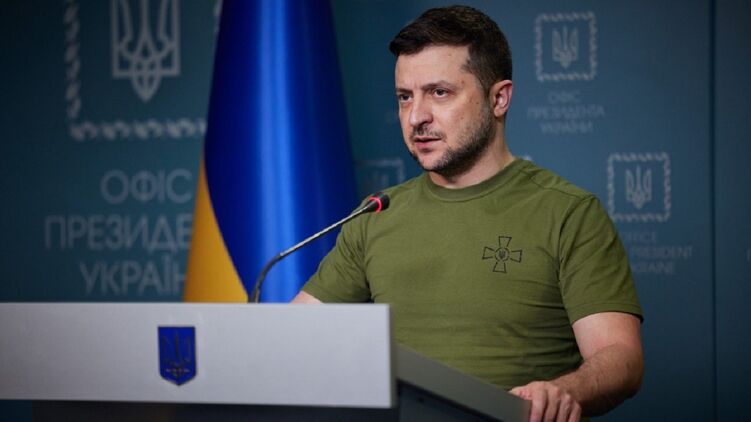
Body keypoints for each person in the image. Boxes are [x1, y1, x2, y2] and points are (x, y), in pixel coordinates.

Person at [293, 5, 643, 421]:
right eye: (405, 97)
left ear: (499, 98)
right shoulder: (376, 214)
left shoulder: (570, 213)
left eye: (439, 92)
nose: (416, 117)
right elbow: (294, 336)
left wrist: (564, 391)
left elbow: (621, 357)